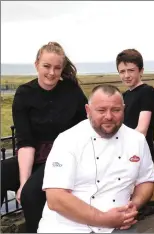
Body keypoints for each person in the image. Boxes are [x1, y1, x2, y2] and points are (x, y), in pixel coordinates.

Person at [38, 84, 154, 233]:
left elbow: (146, 179)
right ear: (88, 110)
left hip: (119, 226)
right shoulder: (68, 140)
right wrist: (104, 219)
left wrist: (134, 205)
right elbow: (56, 198)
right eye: (101, 110)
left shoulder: (137, 140)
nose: (109, 116)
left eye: (116, 110)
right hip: (67, 227)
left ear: (123, 109)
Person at [1, 42, 88, 232]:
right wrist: (23, 181)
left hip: (63, 157)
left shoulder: (72, 92)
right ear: (36, 65)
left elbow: (85, 128)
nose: (51, 73)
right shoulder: (25, 94)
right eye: (46, 66)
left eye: (57, 68)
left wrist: (26, 188)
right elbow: (25, 142)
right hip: (34, 155)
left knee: (31, 194)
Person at [116, 49, 154, 157]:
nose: (126, 75)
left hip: (140, 152)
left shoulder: (147, 92)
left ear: (141, 71)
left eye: (131, 70)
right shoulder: (124, 95)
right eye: (122, 71)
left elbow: (141, 130)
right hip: (125, 150)